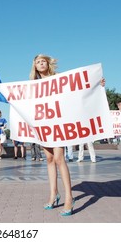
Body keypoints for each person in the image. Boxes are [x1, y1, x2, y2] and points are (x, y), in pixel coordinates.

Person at [29, 54, 74, 216]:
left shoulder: (58, 79)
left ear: (48, 64)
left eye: (43, 61)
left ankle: (69, 197)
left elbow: (76, 91)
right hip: (43, 124)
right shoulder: (33, 85)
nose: (40, 64)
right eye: (37, 62)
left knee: (59, 158)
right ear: (34, 66)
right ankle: (53, 194)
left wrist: (98, 85)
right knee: (49, 159)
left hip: (58, 122)